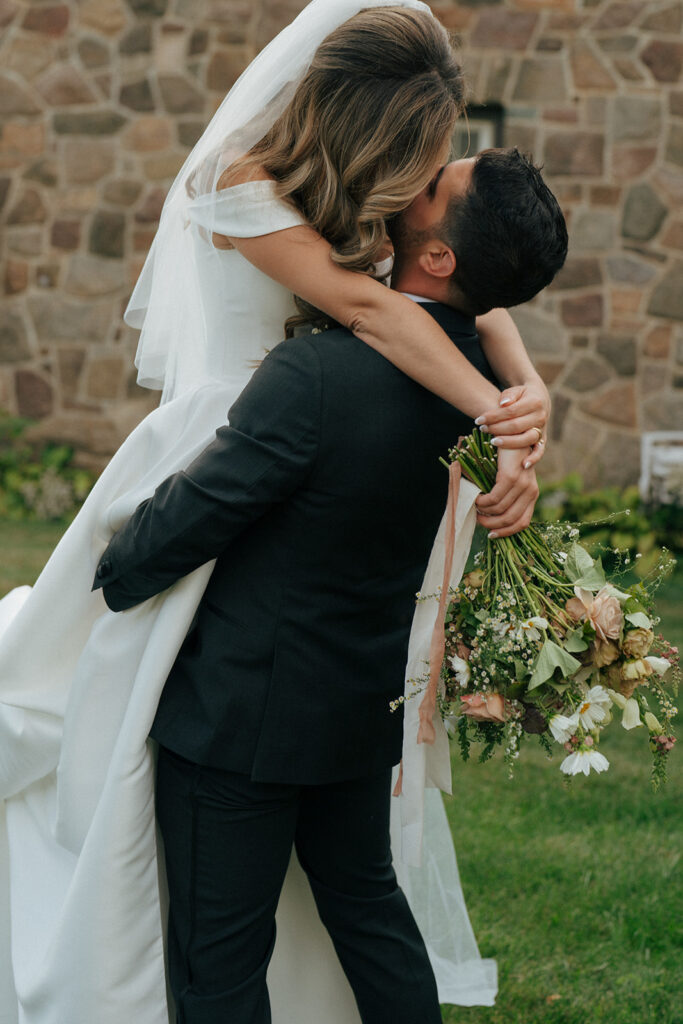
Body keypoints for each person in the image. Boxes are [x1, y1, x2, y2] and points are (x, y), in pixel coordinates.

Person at [0, 3, 549, 1021]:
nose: (428, 182)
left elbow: (448, 290)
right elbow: (386, 305)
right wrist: (495, 416)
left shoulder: (376, 222)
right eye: (426, 165)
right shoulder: (242, 186)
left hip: (296, 439)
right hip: (233, 433)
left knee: (247, 814)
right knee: (124, 686)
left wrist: (526, 392)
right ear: (370, 132)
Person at [91, 145, 567, 1023]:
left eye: (431, 184)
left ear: (437, 257)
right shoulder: (492, 393)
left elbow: (180, 529)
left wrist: (111, 563)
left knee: (220, 965)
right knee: (372, 918)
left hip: (237, 727)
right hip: (357, 715)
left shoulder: (318, 375)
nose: (409, 173)